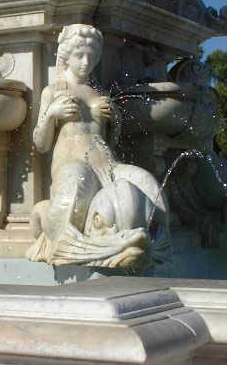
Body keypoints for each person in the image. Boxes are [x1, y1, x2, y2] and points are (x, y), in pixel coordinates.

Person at [28, 24, 169, 268]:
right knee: (75, 194)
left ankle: (155, 246)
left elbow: (111, 140)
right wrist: (52, 114)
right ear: (66, 56)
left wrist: (114, 120)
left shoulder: (99, 92)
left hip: (107, 163)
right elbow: (40, 144)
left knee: (148, 185)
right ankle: (49, 220)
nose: (86, 62)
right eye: (79, 56)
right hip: (73, 163)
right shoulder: (54, 91)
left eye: (91, 57)